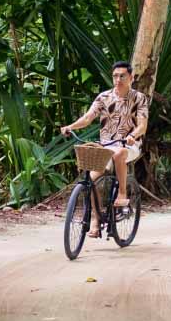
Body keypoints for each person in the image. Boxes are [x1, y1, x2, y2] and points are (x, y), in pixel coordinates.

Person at [61, 61, 148, 237]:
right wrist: (70, 126)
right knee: (91, 180)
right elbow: (87, 118)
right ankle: (95, 218)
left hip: (129, 145)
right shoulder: (103, 97)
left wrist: (133, 135)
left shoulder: (139, 98)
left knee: (119, 153)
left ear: (131, 77)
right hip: (106, 146)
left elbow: (143, 126)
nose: (118, 79)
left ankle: (122, 194)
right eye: (115, 76)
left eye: (122, 76)